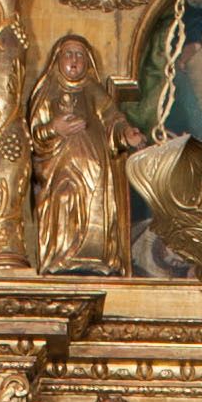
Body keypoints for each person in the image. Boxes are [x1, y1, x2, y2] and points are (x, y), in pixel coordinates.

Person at [30, 34, 141, 273]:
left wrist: (125, 133)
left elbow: (113, 119)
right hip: (59, 169)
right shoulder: (47, 90)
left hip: (97, 171)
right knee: (65, 201)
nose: (74, 60)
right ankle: (62, 257)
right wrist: (54, 128)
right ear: (57, 59)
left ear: (88, 61)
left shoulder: (93, 90)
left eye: (80, 55)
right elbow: (34, 135)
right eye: (68, 54)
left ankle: (96, 259)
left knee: (95, 206)